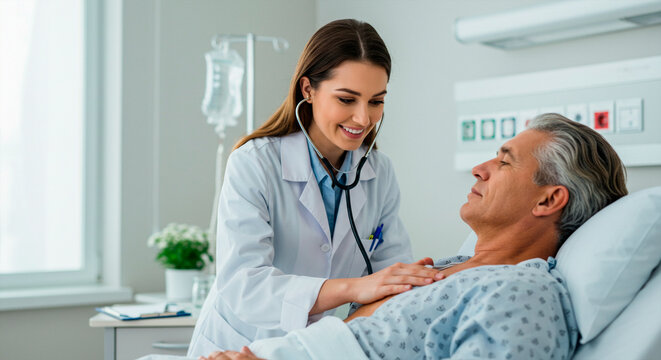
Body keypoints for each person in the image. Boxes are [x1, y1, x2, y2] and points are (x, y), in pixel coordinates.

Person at [198, 113, 628, 360]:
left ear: (549, 200)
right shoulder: (444, 269)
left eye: (505, 162)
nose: (480, 168)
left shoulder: (521, 292)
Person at [187, 19, 443, 357]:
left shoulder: (378, 172)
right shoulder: (255, 162)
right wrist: (354, 288)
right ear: (308, 89)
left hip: (313, 349)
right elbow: (244, 286)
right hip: (238, 344)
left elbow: (389, 270)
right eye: (347, 99)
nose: (364, 119)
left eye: (376, 101)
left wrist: (411, 281)